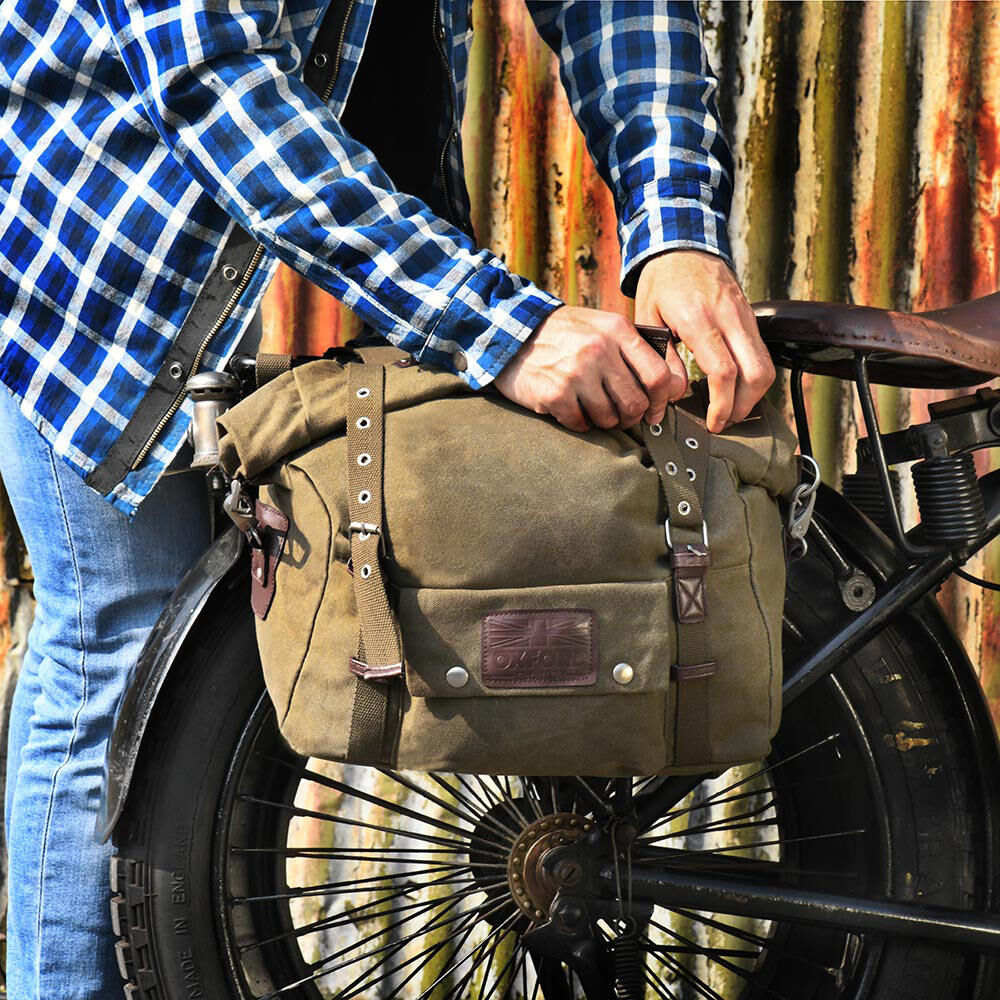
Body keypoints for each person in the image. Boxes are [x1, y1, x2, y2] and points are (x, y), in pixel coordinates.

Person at [0, 0, 774, 996]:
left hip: (323, 170)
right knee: (121, 628)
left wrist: (675, 226)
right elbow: (209, 77)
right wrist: (502, 326)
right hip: (100, 216)